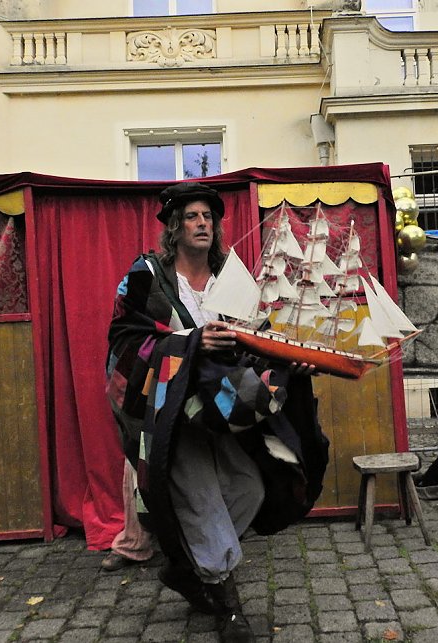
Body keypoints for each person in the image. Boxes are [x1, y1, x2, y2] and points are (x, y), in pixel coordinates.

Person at [105, 182, 329, 642]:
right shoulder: (147, 275)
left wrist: (295, 362)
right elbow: (124, 339)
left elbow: (264, 338)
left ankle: (186, 567)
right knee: (203, 498)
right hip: (171, 411)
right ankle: (229, 607)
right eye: (192, 216)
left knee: (249, 488)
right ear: (174, 225)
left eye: (208, 216)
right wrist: (190, 343)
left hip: (225, 408)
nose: (203, 223)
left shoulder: (234, 275)